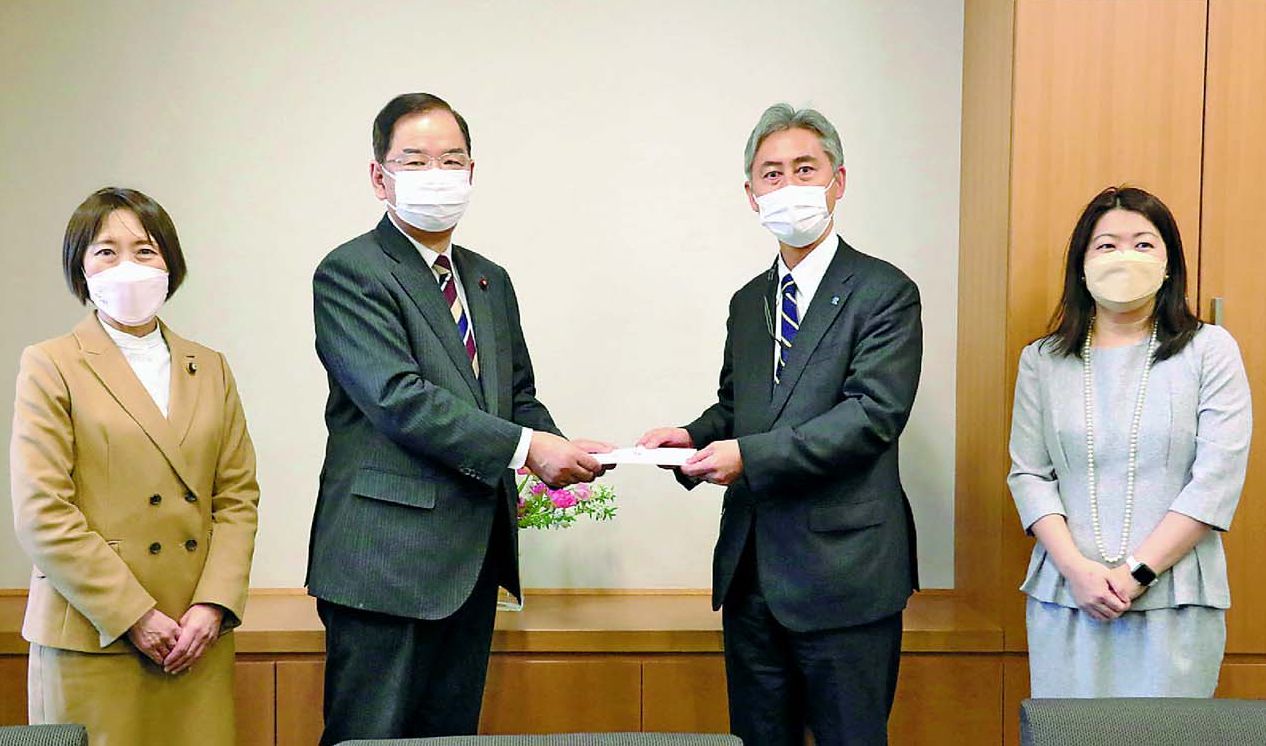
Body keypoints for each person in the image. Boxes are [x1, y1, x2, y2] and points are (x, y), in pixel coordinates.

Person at [307, 92, 611, 743]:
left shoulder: (488, 280)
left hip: (470, 561)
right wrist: (528, 448)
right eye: (414, 161)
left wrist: (557, 445)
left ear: (472, 172)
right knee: (371, 736)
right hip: (383, 564)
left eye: (451, 160)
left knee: (450, 738)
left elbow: (515, 395)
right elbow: (399, 398)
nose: (436, 175)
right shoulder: (351, 272)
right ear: (379, 176)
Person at [639, 103, 922, 746]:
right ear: (751, 194)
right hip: (752, 575)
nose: (788, 185)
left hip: (845, 572)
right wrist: (691, 437)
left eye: (805, 168)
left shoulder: (884, 291)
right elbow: (738, 408)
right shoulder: (749, 301)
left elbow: (872, 416)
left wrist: (750, 456)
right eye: (772, 174)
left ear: (838, 181)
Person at [10, 187, 260, 744]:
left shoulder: (211, 367)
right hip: (95, 631)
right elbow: (42, 511)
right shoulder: (51, 364)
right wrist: (135, 616)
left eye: (145, 250)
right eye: (106, 251)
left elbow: (237, 498)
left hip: (195, 635)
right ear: (81, 268)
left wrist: (213, 606)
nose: (128, 265)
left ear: (170, 264)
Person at [1008, 186, 1252, 697]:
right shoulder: (1042, 360)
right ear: (1081, 266)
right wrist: (1078, 571)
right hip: (1068, 595)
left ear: (1169, 264)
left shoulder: (1210, 350)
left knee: (1166, 732)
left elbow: (1216, 480)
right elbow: (1029, 474)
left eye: (1143, 244)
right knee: (1067, 732)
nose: (1125, 257)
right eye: (1107, 245)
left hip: (1177, 595)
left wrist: (1137, 572)